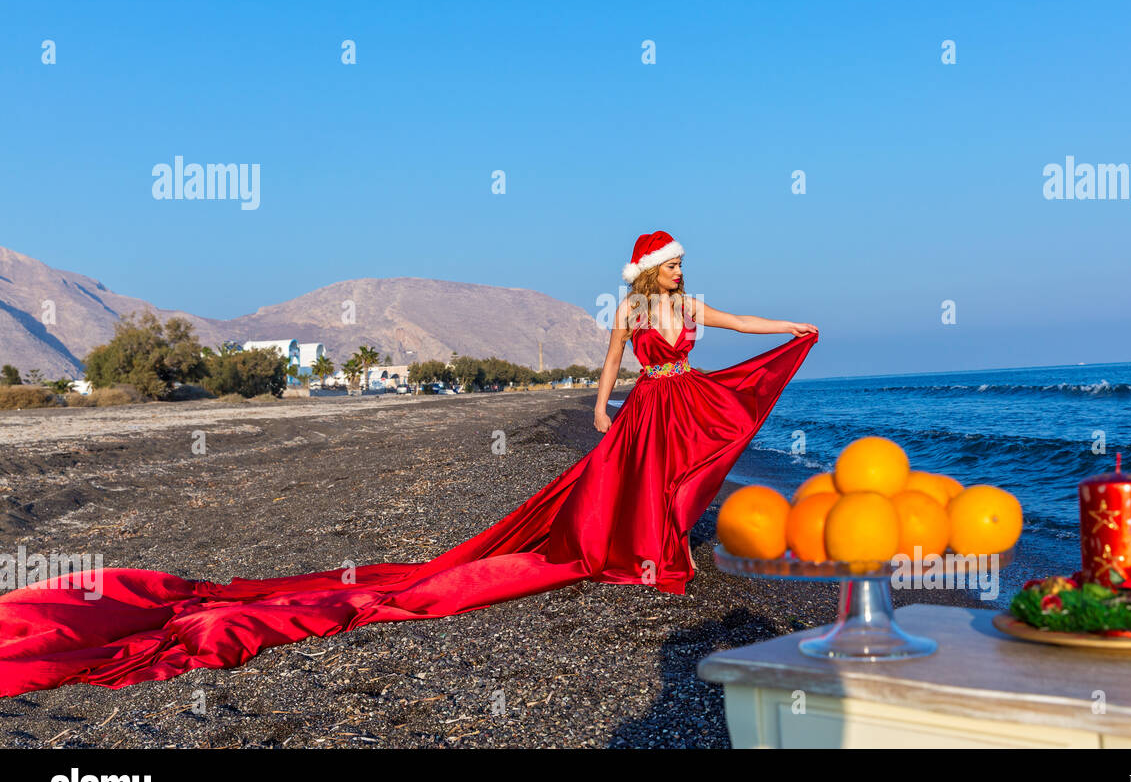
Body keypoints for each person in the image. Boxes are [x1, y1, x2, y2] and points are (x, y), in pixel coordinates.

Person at [0, 230, 818, 696]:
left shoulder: (691, 306)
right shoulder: (637, 310)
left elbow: (741, 319)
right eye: (672, 263)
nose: (681, 272)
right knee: (637, 485)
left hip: (684, 397)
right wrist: (602, 406)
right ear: (649, 271)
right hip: (646, 404)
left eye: (680, 264)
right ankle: (642, 555)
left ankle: (657, 551)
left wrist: (792, 330)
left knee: (680, 480)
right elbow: (610, 362)